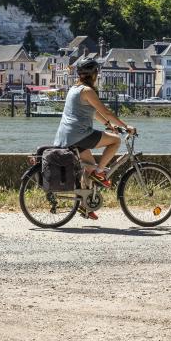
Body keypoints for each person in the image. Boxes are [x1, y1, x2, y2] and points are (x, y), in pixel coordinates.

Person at [53, 56, 136, 219]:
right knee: (115, 140)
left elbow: (95, 113)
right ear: (93, 74)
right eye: (97, 73)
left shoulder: (74, 89)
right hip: (79, 135)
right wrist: (126, 126)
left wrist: (108, 124)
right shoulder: (87, 90)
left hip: (66, 136)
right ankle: (100, 173)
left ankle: (85, 206)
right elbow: (105, 111)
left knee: (88, 167)